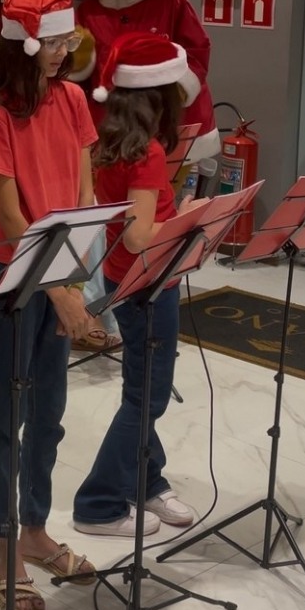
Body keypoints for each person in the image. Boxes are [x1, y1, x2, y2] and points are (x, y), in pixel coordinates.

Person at [0, 0, 99, 610]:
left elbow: (81, 194)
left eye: (66, 39)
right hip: (14, 284)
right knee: (5, 420)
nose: (62, 51)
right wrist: (57, 289)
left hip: (61, 276)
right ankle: (5, 551)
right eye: (51, 41)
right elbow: (8, 210)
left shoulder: (74, 97)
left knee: (48, 415)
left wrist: (78, 279)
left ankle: (34, 529)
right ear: (23, 43)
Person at [72, 31, 198, 537]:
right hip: (148, 283)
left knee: (142, 389)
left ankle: (146, 480)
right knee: (149, 397)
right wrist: (189, 218)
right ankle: (99, 502)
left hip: (124, 279)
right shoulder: (144, 152)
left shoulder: (110, 141)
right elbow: (142, 234)